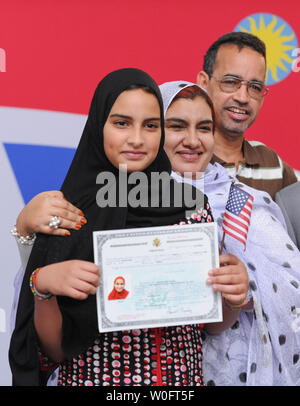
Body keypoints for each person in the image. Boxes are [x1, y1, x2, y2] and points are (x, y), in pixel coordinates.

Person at [9, 68, 248, 387]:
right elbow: (53, 350)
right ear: (98, 126)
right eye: (121, 123)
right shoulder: (67, 212)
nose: (137, 139)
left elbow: (209, 325)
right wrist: (43, 287)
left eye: (151, 125)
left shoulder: (191, 205)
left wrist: (233, 296)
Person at [159, 80, 300, 385]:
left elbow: (294, 286)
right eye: (177, 126)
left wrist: (248, 292)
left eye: (205, 128)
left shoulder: (241, 201)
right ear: (153, 130)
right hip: (149, 374)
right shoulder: (124, 199)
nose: (193, 140)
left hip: (232, 371)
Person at [196, 32, 298, 199]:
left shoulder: (272, 165)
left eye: (255, 87)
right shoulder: (184, 158)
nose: (243, 98)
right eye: (230, 82)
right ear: (204, 83)